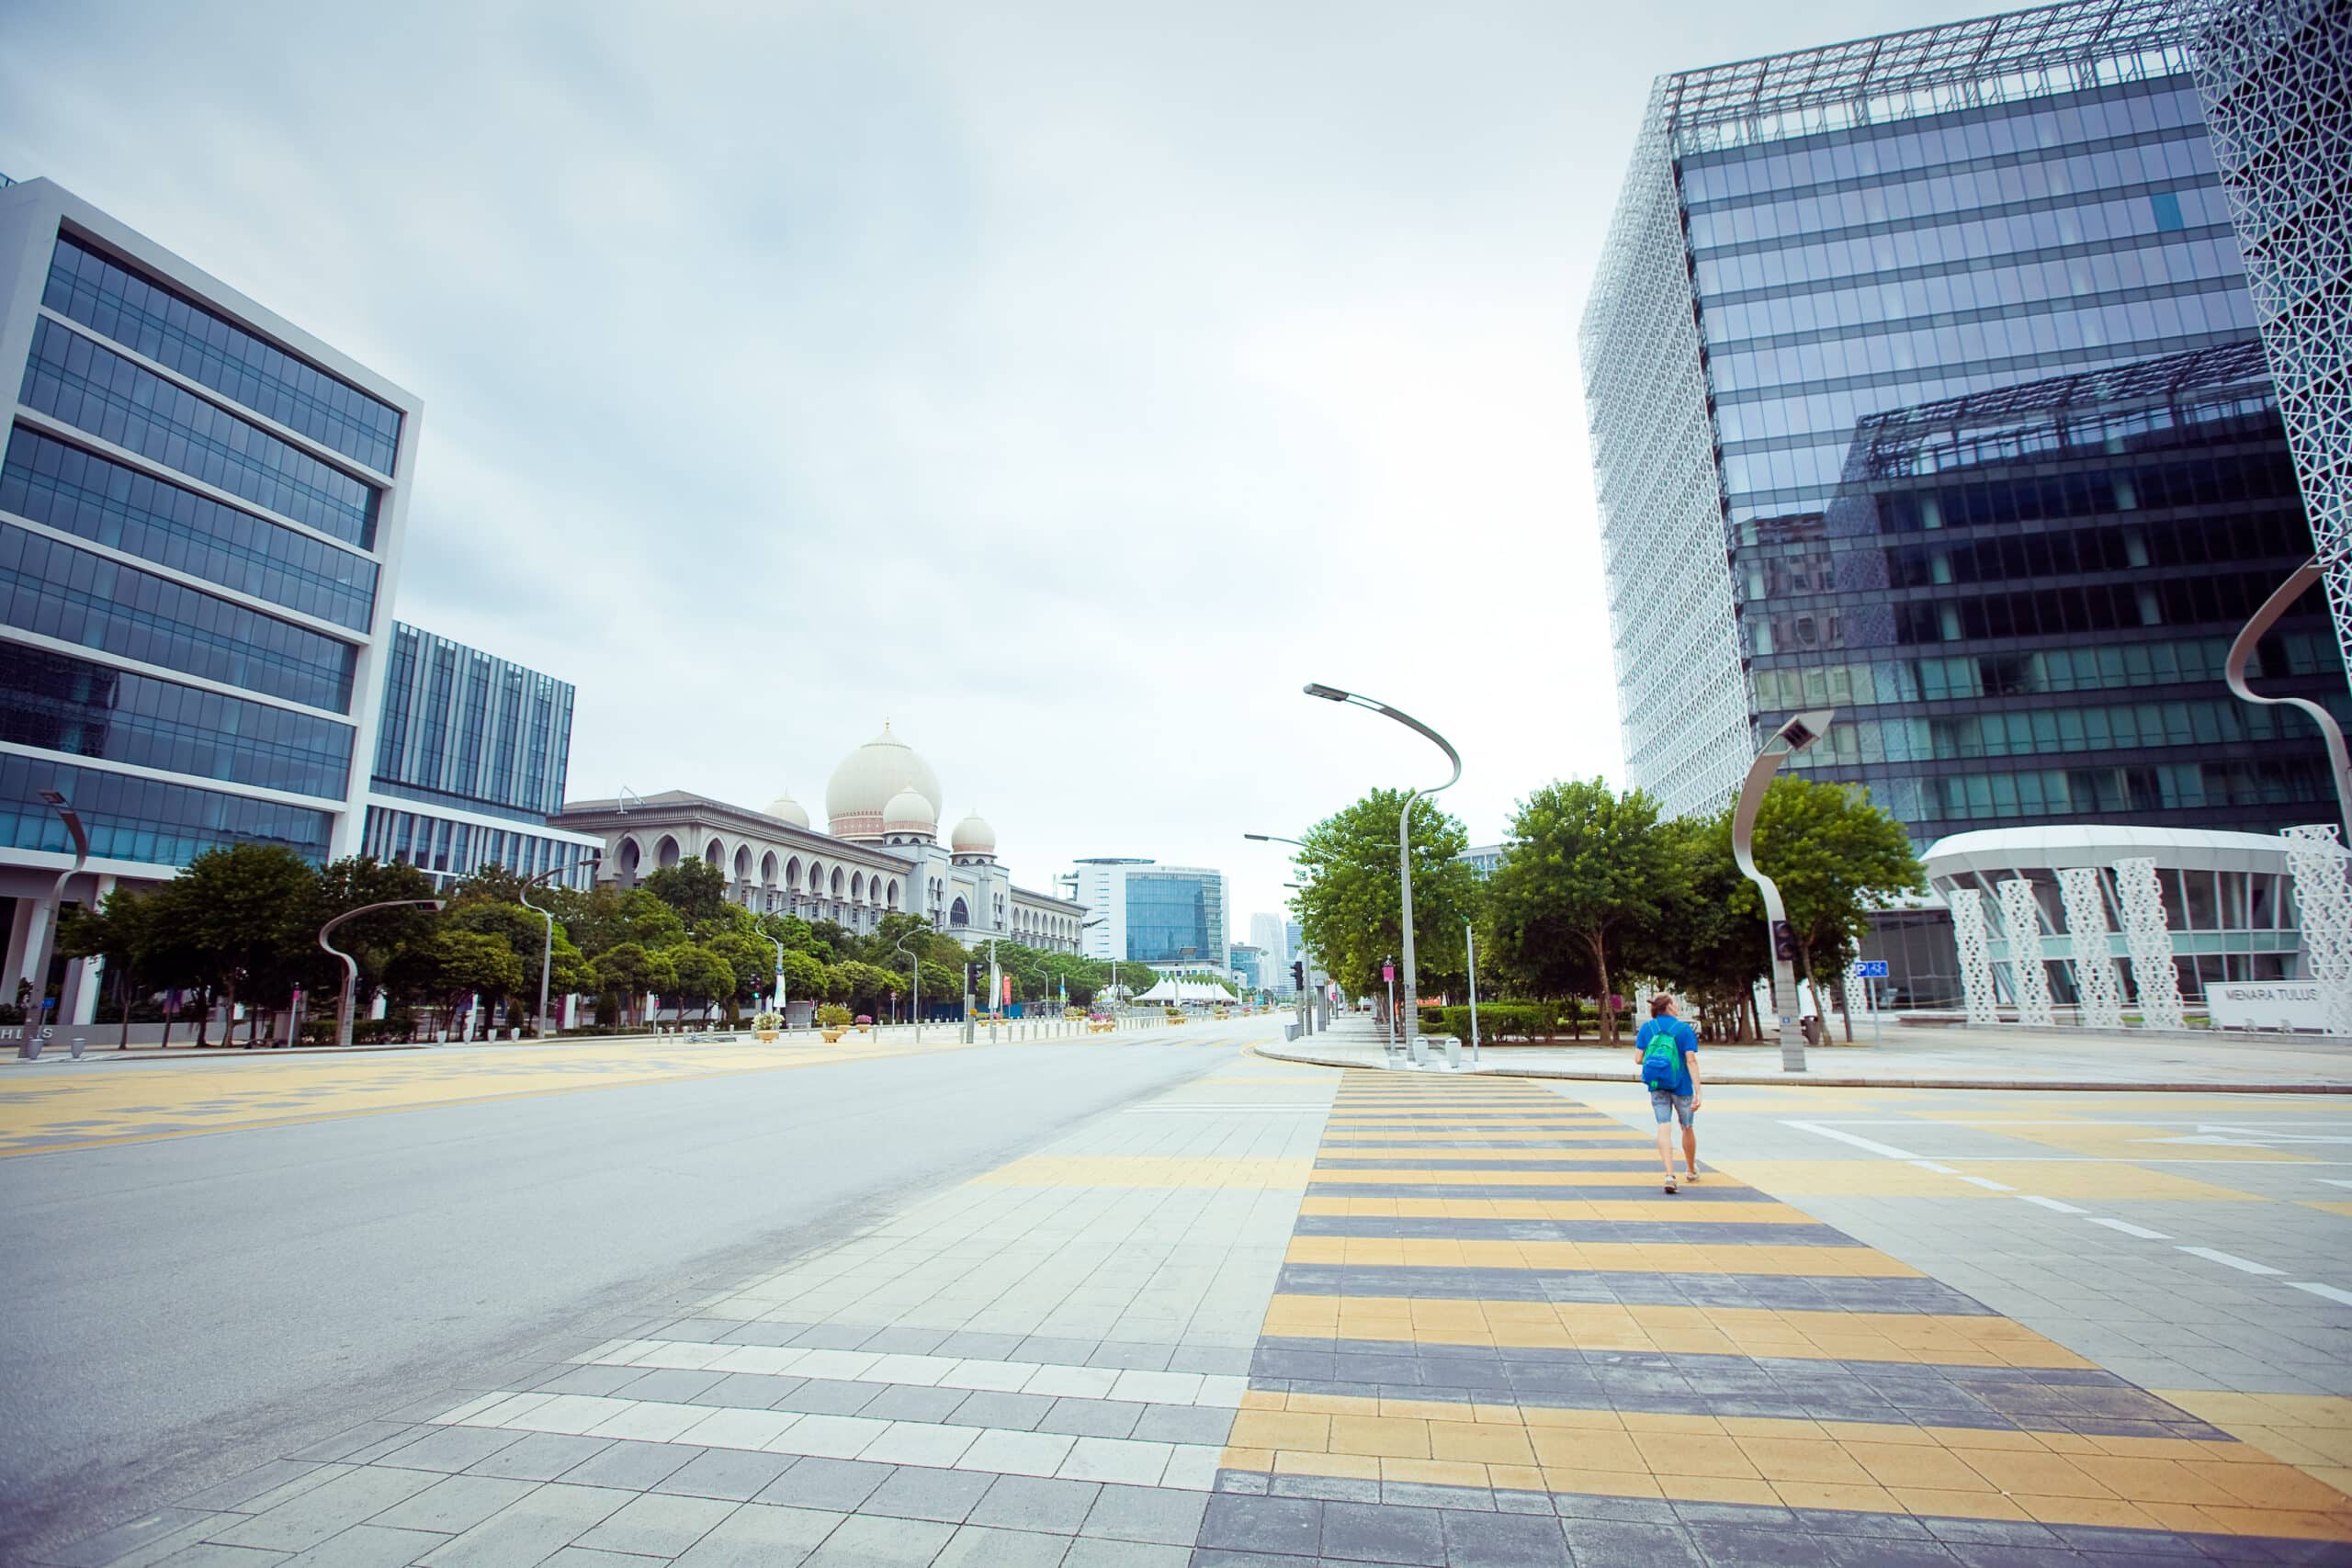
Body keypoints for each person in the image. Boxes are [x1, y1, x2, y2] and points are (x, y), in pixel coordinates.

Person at [1634, 993, 1702, 1193]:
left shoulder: (1648, 1028)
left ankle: (1670, 1175)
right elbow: (1691, 1060)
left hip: (1657, 1085)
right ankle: (1690, 1169)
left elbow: (1638, 1059)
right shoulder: (1683, 1030)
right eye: (1675, 1002)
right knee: (1687, 1126)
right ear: (1670, 1007)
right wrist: (1698, 1090)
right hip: (1682, 1086)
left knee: (1663, 1126)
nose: (1678, 1005)